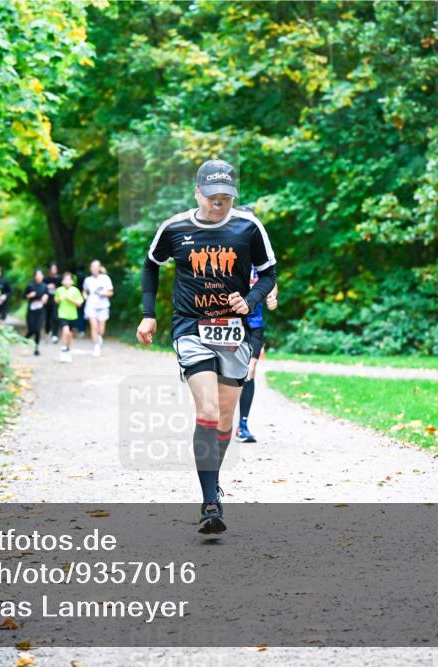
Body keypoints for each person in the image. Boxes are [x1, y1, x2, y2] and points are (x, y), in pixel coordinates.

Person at [137, 158, 276, 534]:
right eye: (212, 197)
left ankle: (212, 483)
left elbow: (268, 275)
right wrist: (149, 314)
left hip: (234, 332)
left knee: (226, 420)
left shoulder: (249, 227)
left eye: (226, 198)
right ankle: (209, 502)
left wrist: (250, 301)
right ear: (197, 192)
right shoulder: (175, 228)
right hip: (191, 328)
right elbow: (151, 264)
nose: (219, 204)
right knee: (209, 410)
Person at [237, 264, 278, 442]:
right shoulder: (234, 255)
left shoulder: (260, 260)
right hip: (232, 325)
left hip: (255, 326)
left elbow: (272, 281)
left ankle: (242, 426)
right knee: (225, 374)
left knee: (250, 371)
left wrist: (272, 296)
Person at [82, 260, 114, 357]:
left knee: (101, 330)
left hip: (103, 306)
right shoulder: (87, 280)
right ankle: (96, 347)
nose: (95, 269)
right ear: (90, 268)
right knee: (94, 326)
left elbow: (111, 293)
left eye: (96, 267)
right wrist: (85, 296)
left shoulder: (106, 278)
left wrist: (103, 293)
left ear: (99, 268)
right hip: (91, 306)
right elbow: (84, 291)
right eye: (93, 267)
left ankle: (99, 338)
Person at [54, 272, 84, 363]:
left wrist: (70, 300)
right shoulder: (59, 290)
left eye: (69, 279)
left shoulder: (75, 291)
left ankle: (68, 350)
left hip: (72, 315)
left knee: (70, 335)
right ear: (62, 281)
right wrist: (59, 299)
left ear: (72, 282)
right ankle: (63, 350)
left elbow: (79, 304)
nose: (67, 281)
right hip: (62, 314)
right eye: (65, 279)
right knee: (65, 331)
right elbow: (56, 300)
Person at [24, 268, 49, 356]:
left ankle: (36, 348)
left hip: (41, 311)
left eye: (40, 275)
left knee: (38, 329)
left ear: (42, 276)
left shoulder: (45, 286)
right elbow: (24, 296)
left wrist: (46, 298)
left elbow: (47, 296)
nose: (39, 277)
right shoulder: (30, 286)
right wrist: (29, 296)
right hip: (31, 311)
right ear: (34, 276)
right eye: (37, 275)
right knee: (31, 329)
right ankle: (24, 340)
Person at [44, 262, 62, 344]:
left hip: (57, 300)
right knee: (48, 317)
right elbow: (42, 288)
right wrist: (47, 286)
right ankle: (48, 332)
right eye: (52, 269)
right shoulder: (46, 279)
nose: (54, 270)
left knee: (56, 317)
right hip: (48, 300)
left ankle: (55, 335)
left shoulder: (60, 278)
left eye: (55, 268)